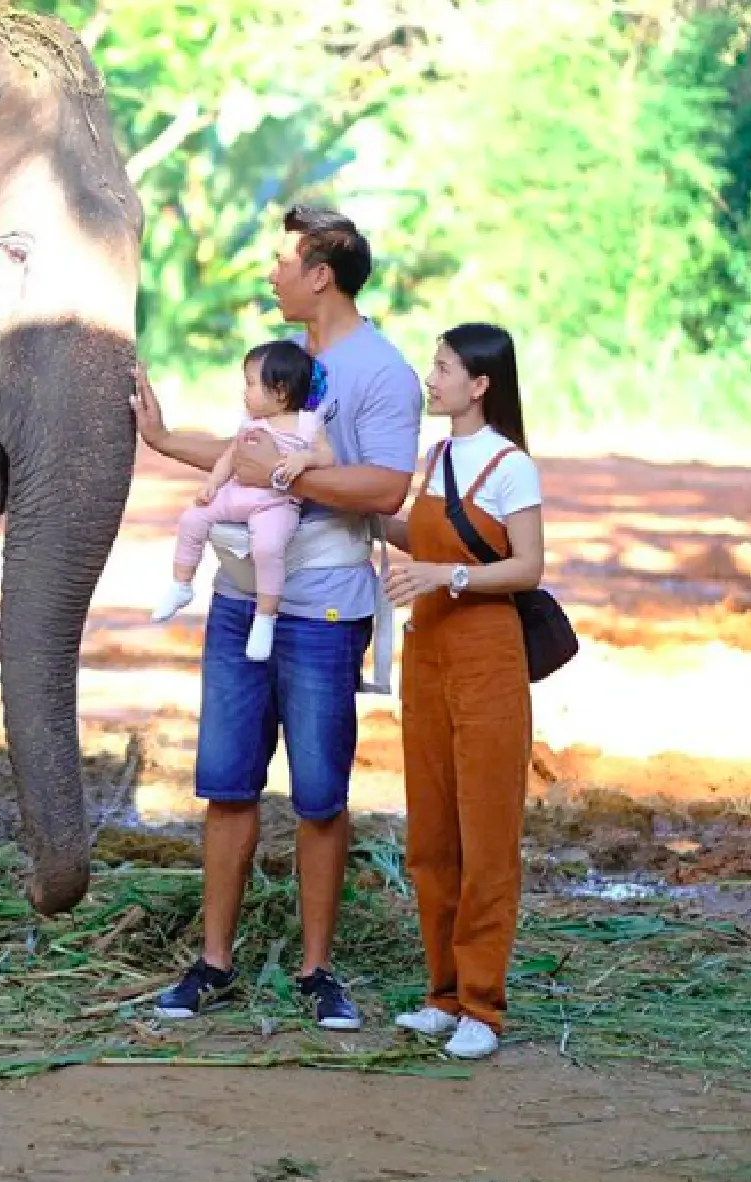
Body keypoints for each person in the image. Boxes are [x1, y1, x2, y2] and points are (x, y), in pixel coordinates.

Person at [131, 205, 422, 1029]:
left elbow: (385, 488)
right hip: (236, 601)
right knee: (227, 783)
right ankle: (213, 961)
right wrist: (161, 439)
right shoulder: (286, 362)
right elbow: (245, 452)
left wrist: (292, 482)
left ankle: (317, 968)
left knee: (321, 794)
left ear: (320, 273)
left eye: (282, 261)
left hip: (324, 608)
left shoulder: (382, 373)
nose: (271, 274)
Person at [381, 322, 544, 1060]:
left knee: (486, 836)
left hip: (486, 658)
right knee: (432, 835)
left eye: (443, 366)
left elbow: (528, 567)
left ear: (480, 384)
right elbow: (427, 537)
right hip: (429, 655)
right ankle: (442, 992)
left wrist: (445, 578)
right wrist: (329, 491)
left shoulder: (510, 466)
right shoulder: (437, 455)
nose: (431, 375)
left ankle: (483, 1002)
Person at [149, 339, 335, 661]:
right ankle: (182, 583)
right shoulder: (252, 423)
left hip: (276, 502)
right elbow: (230, 456)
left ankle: (265, 617)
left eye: (250, 384)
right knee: (193, 519)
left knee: (267, 547)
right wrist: (212, 484)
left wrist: (302, 459)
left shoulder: (306, 423)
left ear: (279, 391)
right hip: (237, 491)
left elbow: (327, 457)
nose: (244, 392)